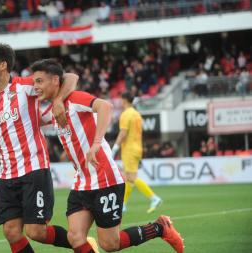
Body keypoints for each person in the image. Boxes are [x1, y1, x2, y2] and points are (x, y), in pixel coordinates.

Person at [0, 43, 96, 252]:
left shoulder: (25, 86)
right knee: (11, 232)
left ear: (3, 65)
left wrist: (58, 101)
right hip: (6, 176)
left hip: (34, 169)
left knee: (35, 231)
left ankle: (83, 245)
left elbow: (71, 77)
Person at [31, 58, 184, 253]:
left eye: (39, 81)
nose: (35, 86)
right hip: (82, 181)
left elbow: (105, 106)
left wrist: (95, 144)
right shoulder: (53, 110)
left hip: (105, 177)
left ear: (54, 80)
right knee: (75, 237)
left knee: (110, 244)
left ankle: (160, 228)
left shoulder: (75, 99)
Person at [111, 92, 162, 213]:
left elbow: (123, 133)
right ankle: (123, 204)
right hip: (137, 147)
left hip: (129, 149)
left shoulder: (126, 114)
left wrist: (114, 148)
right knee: (129, 179)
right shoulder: (137, 114)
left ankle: (154, 198)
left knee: (131, 178)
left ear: (124, 100)